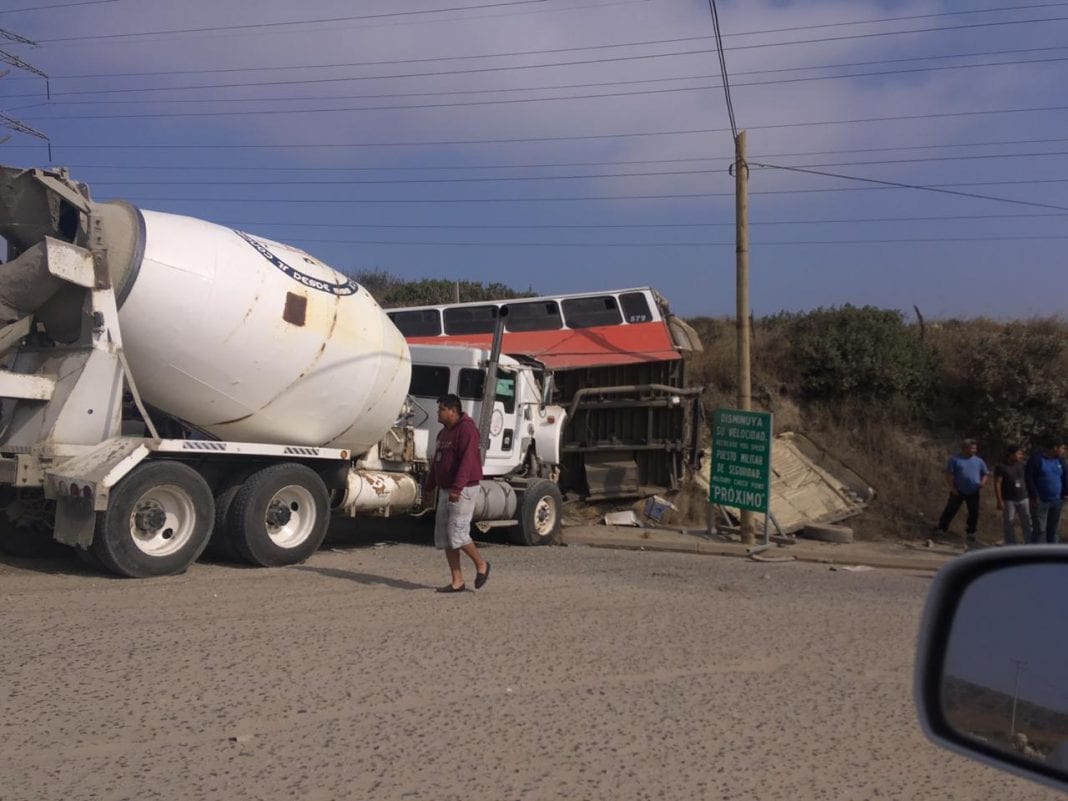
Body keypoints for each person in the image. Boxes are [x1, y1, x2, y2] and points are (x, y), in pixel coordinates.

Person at [425, 393, 491, 593]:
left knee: (458, 534)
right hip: (446, 490)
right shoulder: (443, 433)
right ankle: (457, 581)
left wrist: (457, 488)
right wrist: (429, 486)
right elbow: (436, 461)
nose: (438, 413)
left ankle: (482, 564)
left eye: (441, 409)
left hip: (463, 490)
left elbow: (468, 461)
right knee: (446, 537)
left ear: (452, 411)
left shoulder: (467, 430)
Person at [935, 438, 989, 547]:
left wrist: (982, 483)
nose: (974, 450)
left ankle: (971, 532)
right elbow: (949, 474)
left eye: (975, 448)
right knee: (950, 509)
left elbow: (985, 473)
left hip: (973, 491)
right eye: (972, 448)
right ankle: (941, 528)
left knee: (974, 512)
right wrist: (952, 488)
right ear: (965, 448)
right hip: (958, 490)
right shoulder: (955, 459)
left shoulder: (979, 461)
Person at [1024, 437, 1068, 544]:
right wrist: (1034, 495)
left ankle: (1052, 555)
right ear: (1055, 448)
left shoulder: (1060, 461)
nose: (1064, 451)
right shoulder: (1037, 459)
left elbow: (1066, 477)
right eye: (1062, 448)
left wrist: (1066, 492)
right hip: (1040, 501)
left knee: (1053, 530)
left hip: (1057, 501)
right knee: (1039, 530)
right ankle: (1035, 555)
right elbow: (1029, 478)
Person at [994, 445, 1032, 545]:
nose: (1021, 455)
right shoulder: (1001, 467)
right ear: (1011, 454)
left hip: (1023, 498)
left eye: (1021, 453)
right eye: (1018, 453)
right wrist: (999, 500)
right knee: (1009, 523)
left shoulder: (1022, 465)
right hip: (1009, 500)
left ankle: (1030, 544)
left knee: (1027, 522)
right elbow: (997, 483)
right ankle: (1011, 545)